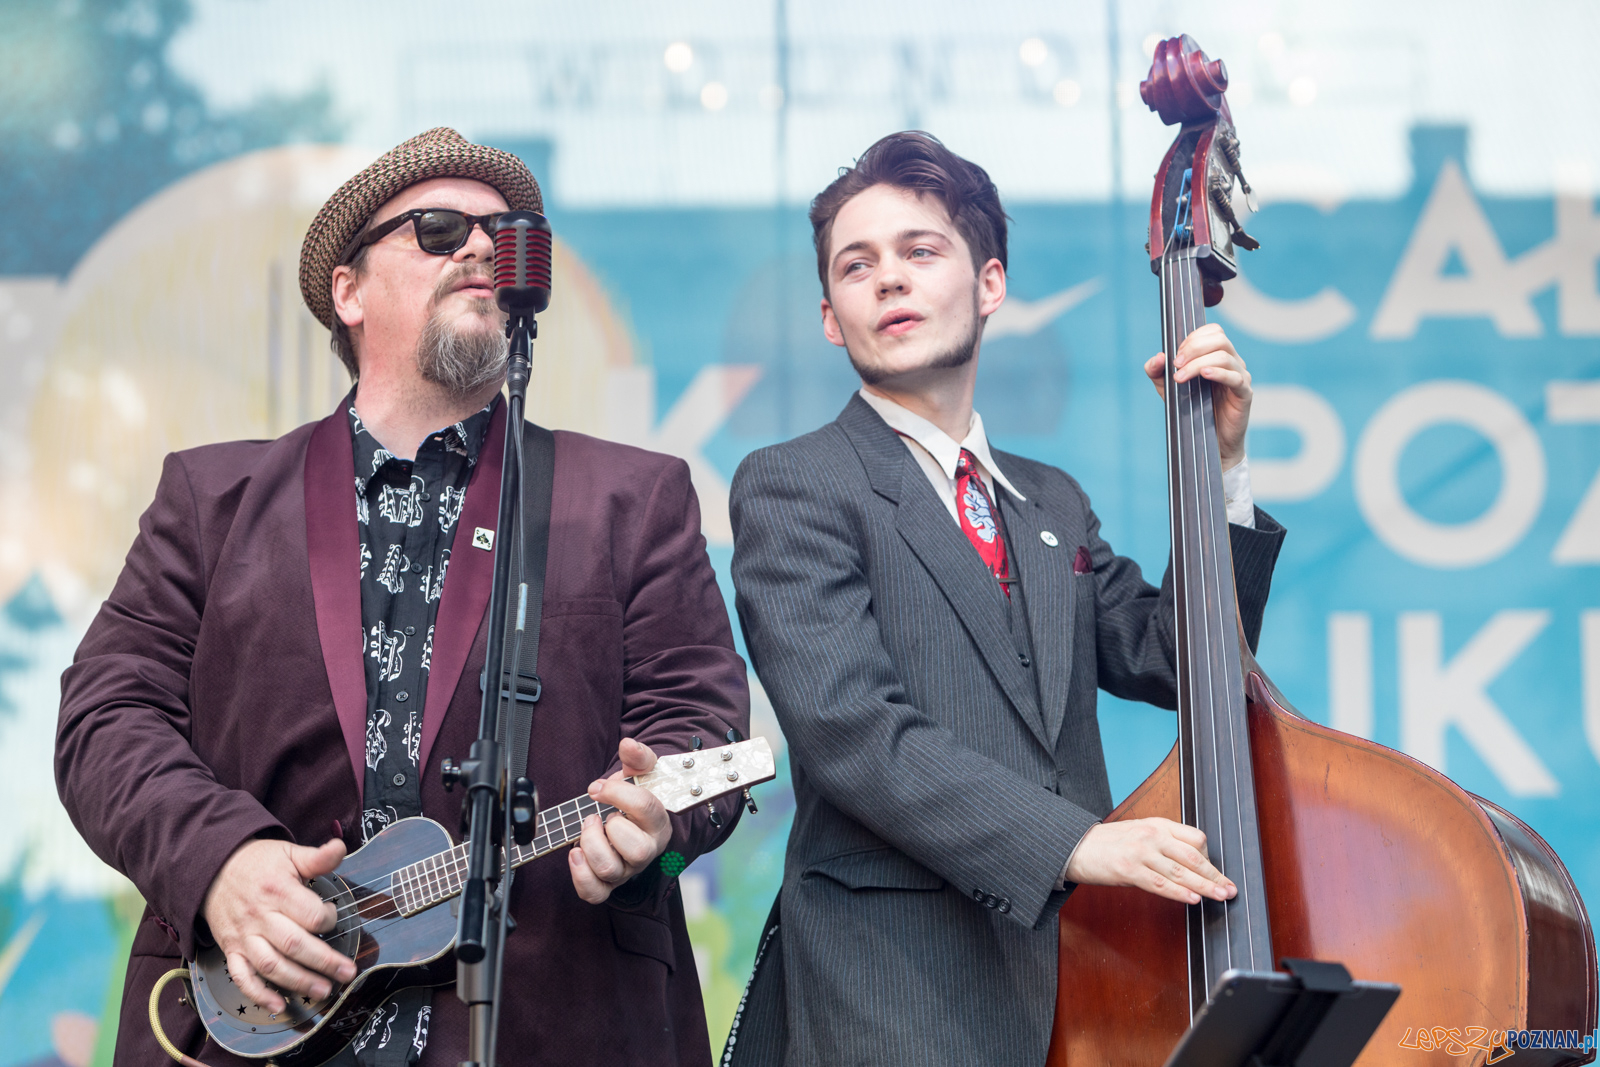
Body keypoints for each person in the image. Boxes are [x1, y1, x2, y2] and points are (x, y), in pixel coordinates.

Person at [56, 127, 749, 1067]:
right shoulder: (208, 499)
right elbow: (105, 714)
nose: (477, 249)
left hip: (557, 1023)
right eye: (435, 229)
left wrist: (662, 830)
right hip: (257, 1023)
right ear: (347, 291)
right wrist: (218, 860)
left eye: (501, 235)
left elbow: (698, 721)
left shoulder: (635, 497)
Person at [725, 131, 1285, 1066]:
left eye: (920, 251)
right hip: (893, 987)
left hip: (1080, 977)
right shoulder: (794, 484)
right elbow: (855, 732)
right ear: (831, 317)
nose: (889, 281)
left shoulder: (1049, 499)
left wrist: (1220, 469)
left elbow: (1176, 658)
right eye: (856, 266)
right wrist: (1077, 844)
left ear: (989, 284)